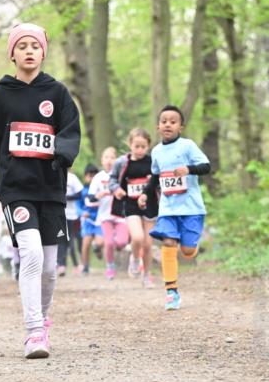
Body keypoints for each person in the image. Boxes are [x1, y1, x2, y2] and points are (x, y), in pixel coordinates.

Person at [0, 22, 81, 359]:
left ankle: (43, 318)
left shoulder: (58, 93)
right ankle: (34, 331)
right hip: (15, 189)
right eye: (21, 46)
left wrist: (62, 152)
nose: (29, 51)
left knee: (50, 267)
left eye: (34, 46)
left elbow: (70, 130)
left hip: (50, 188)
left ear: (43, 52)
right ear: (12, 54)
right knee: (31, 253)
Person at [138, 105, 211, 310]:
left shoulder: (187, 146)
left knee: (187, 251)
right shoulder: (157, 151)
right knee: (168, 243)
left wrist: (188, 169)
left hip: (191, 208)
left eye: (173, 121)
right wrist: (145, 193)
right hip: (168, 209)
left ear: (181, 126)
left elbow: (206, 166)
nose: (168, 124)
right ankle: (171, 292)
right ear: (158, 126)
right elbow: (155, 176)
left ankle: (191, 246)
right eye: (164, 121)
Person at [109, 128, 159, 288]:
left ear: (148, 146)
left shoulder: (153, 162)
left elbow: (159, 181)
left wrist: (154, 182)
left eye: (143, 146)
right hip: (130, 205)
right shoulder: (122, 162)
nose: (139, 150)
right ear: (130, 144)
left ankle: (146, 276)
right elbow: (112, 180)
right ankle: (136, 259)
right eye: (136, 146)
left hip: (150, 205)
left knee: (148, 244)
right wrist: (116, 189)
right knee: (137, 238)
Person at [90, 146, 129, 280]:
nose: (109, 161)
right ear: (102, 160)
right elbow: (89, 198)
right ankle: (110, 267)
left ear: (116, 160)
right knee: (109, 242)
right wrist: (99, 195)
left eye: (112, 158)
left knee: (122, 242)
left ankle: (117, 248)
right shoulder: (98, 177)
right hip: (105, 216)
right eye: (106, 157)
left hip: (120, 215)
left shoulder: (120, 175)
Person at [57, 167, 83, 275]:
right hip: (58, 214)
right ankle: (61, 265)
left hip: (71, 215)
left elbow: (79, 194)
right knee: (61, 240)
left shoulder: (72, 178)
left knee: (70, 241)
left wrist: (66, 197)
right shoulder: (55, 176)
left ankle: (75, 265)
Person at [79, 163, 101, 274]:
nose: (92, 178)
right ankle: (85, 266)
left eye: (94, 176)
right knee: (85, 244)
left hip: (99, 220)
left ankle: (97, 248)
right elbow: (78, 205)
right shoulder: (83, 191)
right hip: (87, 221)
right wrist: (82, 212)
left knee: (100, 242)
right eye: (89, 175)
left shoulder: (101, 190)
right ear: (85, 176)